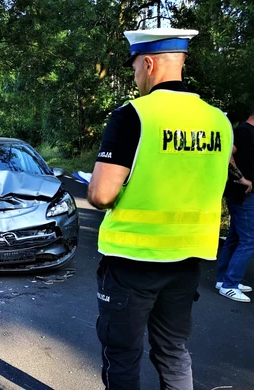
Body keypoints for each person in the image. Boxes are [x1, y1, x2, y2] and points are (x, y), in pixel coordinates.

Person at [87, 28, 233, 389]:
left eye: (135, 66)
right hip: (188, 260)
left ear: (149, 63)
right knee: (172, 350)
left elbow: (101, 195)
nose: (135, 76)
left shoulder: (133, 115)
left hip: (132, 260)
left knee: (123, 354)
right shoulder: (220, 121)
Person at [216, 106, 254, 302]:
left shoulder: (248, 132)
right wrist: (242, 179)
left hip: (243, 195)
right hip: (242, 195)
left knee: (236, 237)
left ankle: (224, 280)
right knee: (249, 240)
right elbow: (226, 156)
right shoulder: (242, 131)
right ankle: (230, 284)